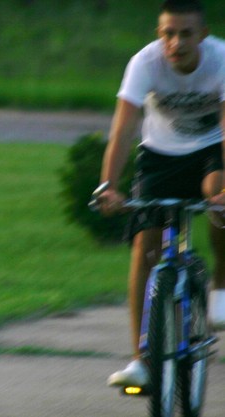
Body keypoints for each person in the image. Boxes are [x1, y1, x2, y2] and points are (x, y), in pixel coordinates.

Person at [95, 0, 225, 388]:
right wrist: (109, 186)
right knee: (144, 245)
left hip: (211, 148)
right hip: (160, 154)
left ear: (203, 35)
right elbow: (123, 128)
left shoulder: (220, 59)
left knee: (217, 196)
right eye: (169, 33)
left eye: (186, 33)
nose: (176, 42)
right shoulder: (144, 63)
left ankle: (220, 284)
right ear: (159, 34)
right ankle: (141, 359)